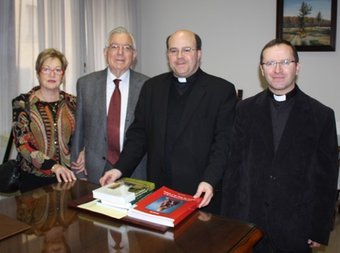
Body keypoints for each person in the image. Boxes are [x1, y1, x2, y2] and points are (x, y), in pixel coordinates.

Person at [100, 29, 237, 214]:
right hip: (158, 193)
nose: (179, 56)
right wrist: (119, 169)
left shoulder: (221, 91)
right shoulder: (152, 88)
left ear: (198, 53)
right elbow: (139, 136)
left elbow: (223, 144)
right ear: (167, 55)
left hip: (200, 192)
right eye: (173, 50)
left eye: (186, 50)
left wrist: (210, 180)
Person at [221, 38, 339, 253]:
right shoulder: (244, 110)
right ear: (261, 69)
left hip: (295, 227)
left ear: (297, 67)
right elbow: (233, 170)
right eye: (270, 63)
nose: (277, 69)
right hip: (249, 223)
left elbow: (327, 180)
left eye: (285, 62)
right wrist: (230, 221)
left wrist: (319, 228)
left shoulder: (321, 116)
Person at [71, 26, 149, 184]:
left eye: (126, 48)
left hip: (136, 171)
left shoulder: (148, 86)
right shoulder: (86, 84)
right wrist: (78, 171)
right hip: (95, 171)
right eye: (114, 47)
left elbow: (150, 134)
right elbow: (80, 130)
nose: (120, 53)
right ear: (105, 52)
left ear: (134, 55)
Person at [12, 48, 77, 192]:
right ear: (38, 72)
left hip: (67, 178)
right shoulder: (22, 103)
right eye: (46, 69)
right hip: (33, 180)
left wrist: (83, 153)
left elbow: (83, 135)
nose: (52, 74)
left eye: (57, 70)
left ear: (63, 74)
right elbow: (23, 144)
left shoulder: (73, 102)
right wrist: (53, 166)